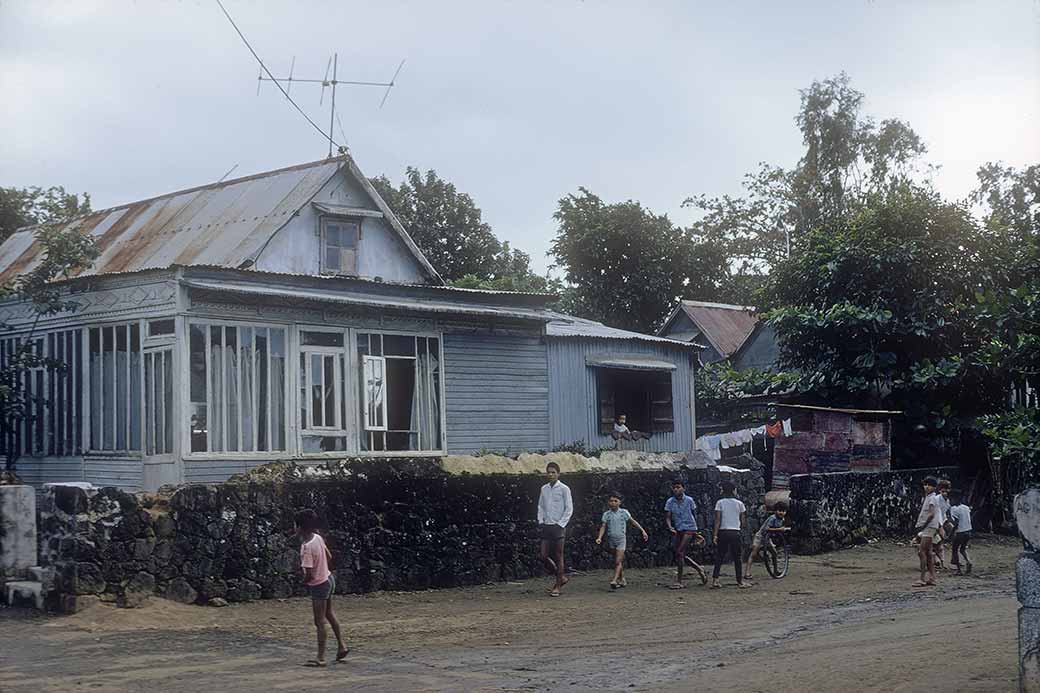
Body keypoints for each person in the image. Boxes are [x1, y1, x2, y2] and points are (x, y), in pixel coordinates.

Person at [295, 508, 349, 667]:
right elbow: (329, 556)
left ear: (299, 527)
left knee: (319, 621)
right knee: (330, 614)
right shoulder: (318, 538)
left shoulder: (306, 547)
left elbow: (309, 573)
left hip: (318, 585)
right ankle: (341, 645)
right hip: (328, 578)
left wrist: (303, 581)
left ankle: (321, 657)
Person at [595, 491, 649, 589]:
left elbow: (633, 522)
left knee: (618, 561)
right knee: (617, 561)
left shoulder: (624, 513)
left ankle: (614, 580)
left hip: (621, 540)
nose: (613, 503)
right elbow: (603, 526)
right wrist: (599, 537)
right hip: (611, 539)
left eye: (615, 501)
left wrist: (643, 531)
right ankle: (622, 579)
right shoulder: (606, 514)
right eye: (611, 501)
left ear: (619, 502)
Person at [537, 461, 573, 597]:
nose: (551, 474)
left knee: (559, 556)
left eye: (553, 472)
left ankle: (558, 586)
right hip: (547, 525)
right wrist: (541, 520)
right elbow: (540, 506)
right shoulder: (544, 489)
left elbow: (569, 508)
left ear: (558, 474)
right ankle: (562, 577)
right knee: (543, 556)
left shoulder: (564, 488)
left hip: (559, 527)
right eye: (549, 472)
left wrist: (561, 524)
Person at [663, 479, 707, 589]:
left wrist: (696, 532)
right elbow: (668, 517)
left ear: (683, 488)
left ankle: (679, 581)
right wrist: (670, 527)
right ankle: (698, 568)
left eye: (678, 487)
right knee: (680, 554)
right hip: (678, 528)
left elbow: (694, 514)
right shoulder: (670, 501)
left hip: (690, 528)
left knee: (680, 552)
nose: (676, 489)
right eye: (674, 487)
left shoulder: (689, 500)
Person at [712, 480, 751, 589]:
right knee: (737, 558)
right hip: (735, 532)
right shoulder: (740, 504)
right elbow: (743, 521)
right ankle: (739, 581)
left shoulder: (720, 503)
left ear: (723, 491)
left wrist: (715, 534)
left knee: (720, 556)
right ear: (734, 491)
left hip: (723, 531)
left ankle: (715, 579)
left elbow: (717, 520)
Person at [743, 501, 791, 581]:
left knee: (774, 553)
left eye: (783, 511)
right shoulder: (772, 518)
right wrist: (779, 529)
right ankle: (747, 572)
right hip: (760, 537)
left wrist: (783, 529)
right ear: (775, 511)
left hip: (768, 539)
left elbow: (777, 530)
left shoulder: (782, 519)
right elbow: (767, 529)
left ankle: (775, 571)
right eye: (779, 510)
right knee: (753, 554)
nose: (781, 513)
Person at [913, 476, 941, 587]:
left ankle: (922, 578)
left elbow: (931, 514)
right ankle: (932, 578)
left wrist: (923, 525)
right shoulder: (929, 497)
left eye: (929, 485)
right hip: (929, 527)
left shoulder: (932, 498)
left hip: (929, 527)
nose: (926, 487)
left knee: (921, 552)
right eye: (925, 485)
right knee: (929, 554)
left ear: (934, 487)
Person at [948, 490, 974, 575]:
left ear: (954, 499)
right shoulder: (966, 507)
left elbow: (955, 523)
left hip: (960, 532)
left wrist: (951, 533)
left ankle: (959, 570)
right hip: (968, 531)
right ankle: (968, 561)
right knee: (962, 549)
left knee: (955, 549)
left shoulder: (954, 509)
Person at [932, 479, 952, 569]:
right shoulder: (936, 499)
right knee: (936, 541)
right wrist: (940, 527)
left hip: (943, 520)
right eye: (943, 490)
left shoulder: (948, 500)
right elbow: (937, 513)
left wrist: (947, 523)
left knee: (941, 541)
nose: (945, 492)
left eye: (947, 490)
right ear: (939, 490)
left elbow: (945, 513)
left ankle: (941, 561)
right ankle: (936, 560)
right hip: (934, 522)